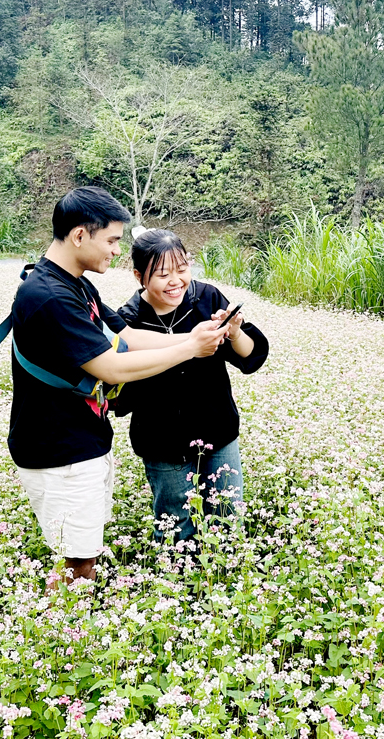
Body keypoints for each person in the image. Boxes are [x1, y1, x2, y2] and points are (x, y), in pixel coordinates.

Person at [1, 188, 227, 585]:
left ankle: (74, 623)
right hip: (58, 450)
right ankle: (67, 635)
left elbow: (127, 335)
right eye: (111, 240)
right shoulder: (50, 295)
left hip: (81, 441)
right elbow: (111, 367)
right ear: (79, 236)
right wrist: (191, 347)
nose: (117, 251)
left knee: (84, 552)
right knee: (78, 562)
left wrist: (195, 335)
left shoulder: (75, 284)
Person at [114, 228, 269, 548]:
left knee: (228, 515)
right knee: (174, 522)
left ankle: (223, 580)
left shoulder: (207, 298)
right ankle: (179, 586)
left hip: (217, 429)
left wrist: (235, 332)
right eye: (163, 274)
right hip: (161, 440)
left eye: (182, 269)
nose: (176, 281)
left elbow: (250, 355)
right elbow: (119, 386)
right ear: (139, 276)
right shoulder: (128, 320)